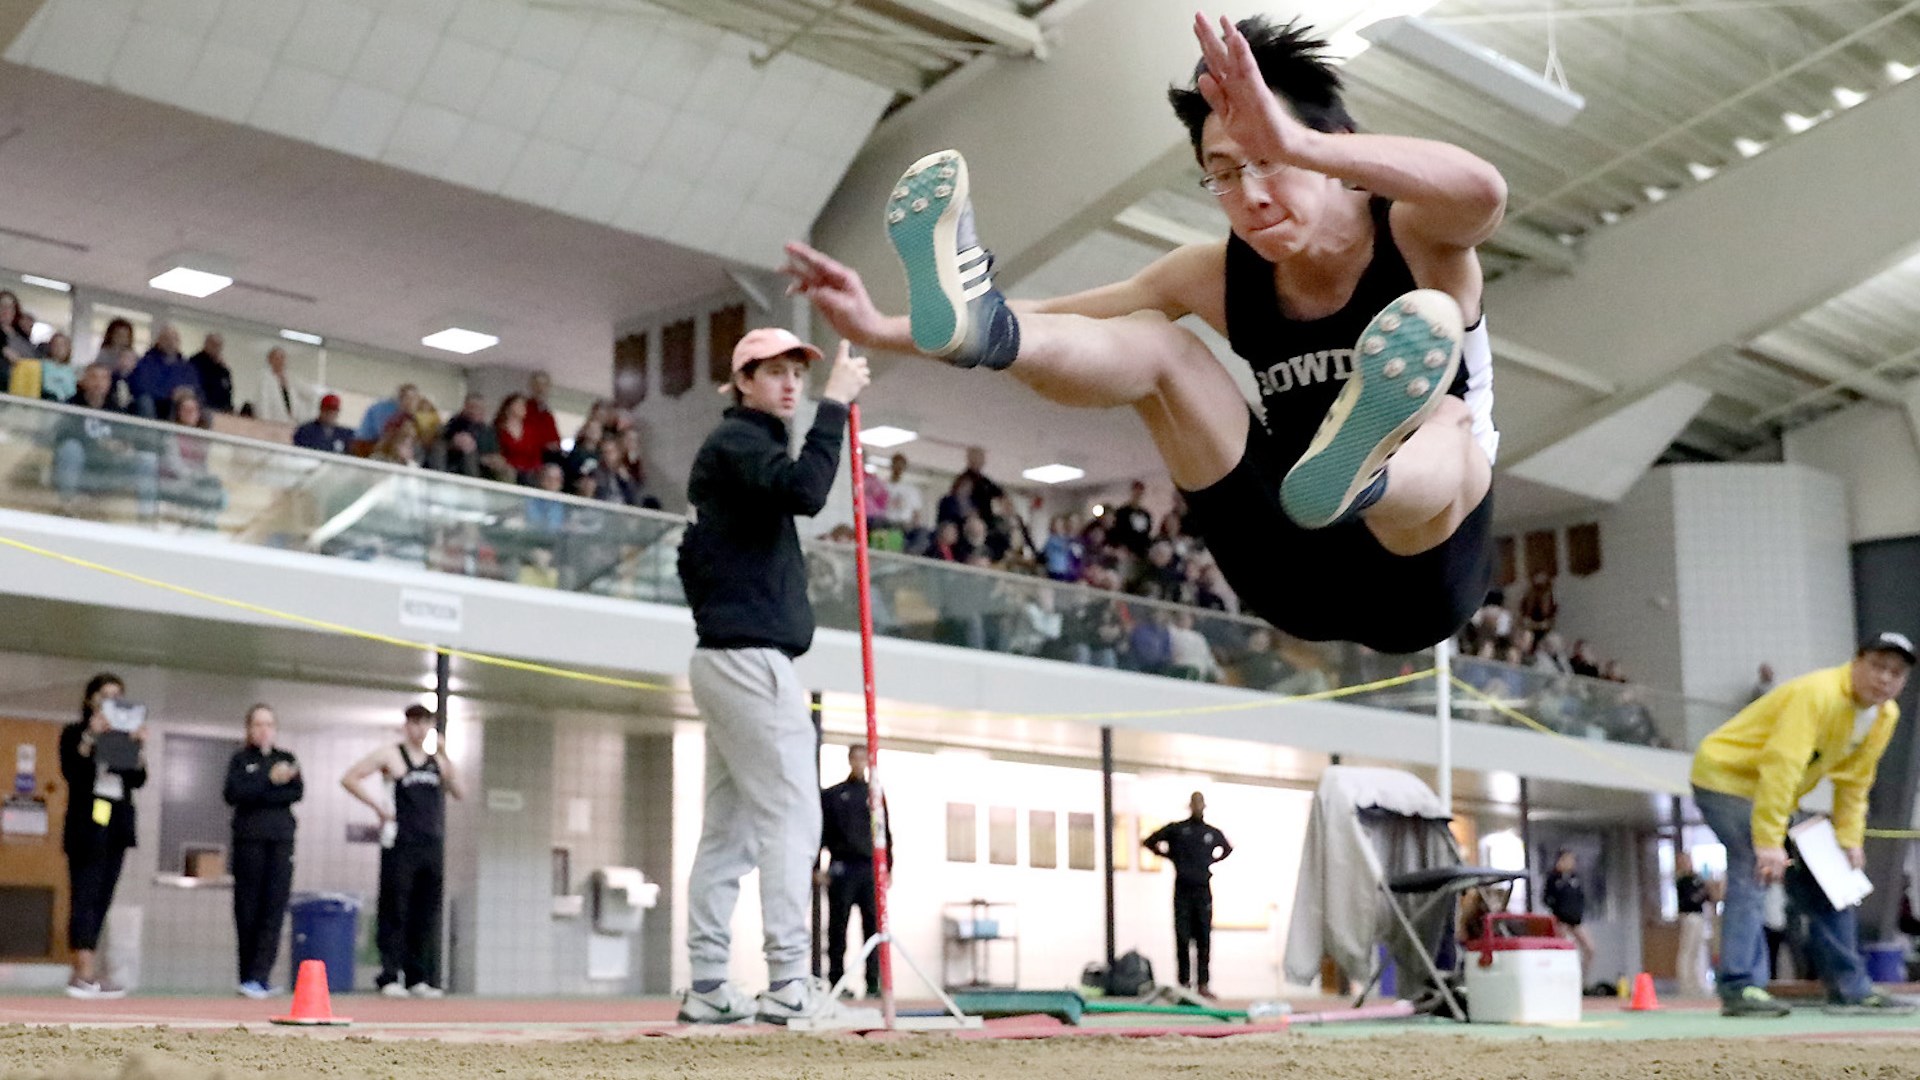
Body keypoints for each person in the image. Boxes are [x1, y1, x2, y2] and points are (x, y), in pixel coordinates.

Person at [784, 14, 1499, 653]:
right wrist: (879, 327)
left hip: (1421, 571)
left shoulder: (1414, 235)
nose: (1249, 197)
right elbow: (1069, 316)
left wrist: (1295, 139)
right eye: (1221, 174)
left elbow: (1483, 192)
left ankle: (1368, 476)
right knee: (1160, 344)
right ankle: (986, 330)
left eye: (1268, 162)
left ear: (1330, 149)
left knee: (1448, 413)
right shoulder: (1217, 274)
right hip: (1287, 560)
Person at [674, 327, 868, 1025]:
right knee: (791, 815)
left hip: (728, 658)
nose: (791, 383)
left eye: (798, 372)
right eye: (774, 372)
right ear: (744, 381)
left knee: (727, 832)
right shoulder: (740, 445)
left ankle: (708, 986)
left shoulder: (740, 451)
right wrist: (836, 407)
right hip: (751, 661)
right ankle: (788, 981)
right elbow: (809, 492)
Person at [1691, 633, 1917, 1017]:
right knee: (1753, 863)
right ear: (1857, 662)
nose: (1885, 679)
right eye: (1878, 666)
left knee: (1830, 874)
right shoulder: (1817, 694)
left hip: (1774, 794)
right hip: (1725, 780)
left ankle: (1851, 988)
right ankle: (1741, 987)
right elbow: (1782, 767)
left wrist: (1849, 840)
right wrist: (1767, 842)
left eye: (1896, 673)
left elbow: (1855, 782)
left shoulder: (1884, 715)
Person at [341, 704, 465, 998]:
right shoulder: (390, 755)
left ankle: (417, 977)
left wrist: (446, 754)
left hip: (431, 844)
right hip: (400, 842)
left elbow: (461, 791)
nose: (419, 728)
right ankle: (389, 974)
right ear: (405, 726)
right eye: (414, 722)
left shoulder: (438, 762)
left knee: (426, 911)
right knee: (395, 908)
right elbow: (350, 777)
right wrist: (377, 807)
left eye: (425, 723)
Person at [59, 673, 147, 999]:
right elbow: (71, 770)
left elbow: (137, 779)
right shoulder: (74, 733)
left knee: (102, 897)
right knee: (84, 893)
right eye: (105, 695)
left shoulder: (124, 738)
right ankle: (81, 971)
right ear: (91, 700)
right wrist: (90, 737)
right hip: (86, 823)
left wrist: (137, 746)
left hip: (116, 823)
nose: (112, 702)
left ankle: (88, 970)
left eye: (118, 696)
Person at [223, 704, 302, 1000]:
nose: (263, 729)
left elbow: (295, 792)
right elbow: (234, 793)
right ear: (248, 729)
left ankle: (260, 976)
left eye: (268, 724)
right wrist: (269, 780)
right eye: (257, 724)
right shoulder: (240, 760)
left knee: (274, 908)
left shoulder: (287, 758)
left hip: (280, 841)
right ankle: (247, 976)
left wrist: (264, 790)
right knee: (247, 908)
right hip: (248, 841)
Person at [819, 744, 892, 999]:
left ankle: (873, 984)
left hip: (868, 869)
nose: (860, 763)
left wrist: (887, 868)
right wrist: (816, 867)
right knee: (837, 928)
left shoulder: (874, 795)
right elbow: (819, 832)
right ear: (850, 760)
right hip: (842, 868)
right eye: (856, 758)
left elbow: (885, 832)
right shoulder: (833, 795)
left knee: (872, 928)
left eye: (864, 758)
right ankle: (836, 983)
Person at [1143, 792, 1233, 997]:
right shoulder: (1177, 830)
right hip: (1183, 889)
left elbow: (1227, 848)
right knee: (1182, 937)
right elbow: (1149, 841)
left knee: (1203, 938)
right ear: (1189, 806)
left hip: (1202, 889)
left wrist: (1209, 861)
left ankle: (1203, 984)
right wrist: (1170, 856)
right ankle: (1184, 983)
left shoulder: (1211, 833)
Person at [1542, 849, 1595, 974]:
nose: (1571, 863)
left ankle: (1582, 978)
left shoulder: (1575, 878)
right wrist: (1558, 911)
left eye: (1572, 860)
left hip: (1576, 920)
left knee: (1590, 948)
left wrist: (1579, 911)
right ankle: (1562, 975)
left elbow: (1581, 897)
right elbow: (1546, 898)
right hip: (1561, 921)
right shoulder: (1553, 879)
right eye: (1567, 860)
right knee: (1566, 948)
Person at [1674, 850, 1714, 998]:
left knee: (1699, 951)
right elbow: (1691, 899)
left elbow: (1709, 897)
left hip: (1700, 916)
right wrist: (1703, 891)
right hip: (1689, 916)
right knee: (1688, 951)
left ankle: (1699, 983)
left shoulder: (1697, 878)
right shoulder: (1682, 881)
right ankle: (1686, 983)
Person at [252, 347, 314, 424]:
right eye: (277, 358)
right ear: (270, 360)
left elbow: (308, 392)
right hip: (273, 421)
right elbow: (263, 402)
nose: (280, 361)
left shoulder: (291, 377)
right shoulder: (264, 378)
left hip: (291, 420)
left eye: (282, 358)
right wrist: (264, 421)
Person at [186, 333, 234, 413]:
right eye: (213, 344)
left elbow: (227, 391)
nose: (216, 348)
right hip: (201, 408)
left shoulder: (223, 370)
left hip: (221, 410)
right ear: (206, 344)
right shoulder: (195, 363)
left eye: (219, 346)